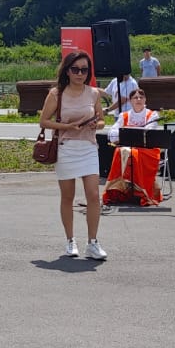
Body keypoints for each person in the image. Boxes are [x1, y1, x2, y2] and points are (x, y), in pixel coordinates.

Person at [41, 50, 111, 259]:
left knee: (93, 195)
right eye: (75, 69)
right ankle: (70, 241)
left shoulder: (93, 93)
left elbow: (101, 120)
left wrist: (94, 125)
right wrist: (67, 126)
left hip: (88, 147)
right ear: (67, 71)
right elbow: (43, 121)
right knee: (68, 196)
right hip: (66, 147)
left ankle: (93, 242)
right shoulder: (56, 94)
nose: (80, 74)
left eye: (84, 70)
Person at [103, 89, 162, 207]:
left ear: (145, 100)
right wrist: (121, 135)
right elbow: (113, 132)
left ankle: (140, 191)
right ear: (130, 101)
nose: (138, 100)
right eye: (135, 98)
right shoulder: (124, 115)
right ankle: (120, 190)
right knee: (120, 151)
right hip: (128, 148)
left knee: (131, 153)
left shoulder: (152, 115)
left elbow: (149, 132)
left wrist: (127, 131)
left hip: (148, 150)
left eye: (141, 97)